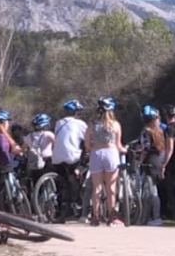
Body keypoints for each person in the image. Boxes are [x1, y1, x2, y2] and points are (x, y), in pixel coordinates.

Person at [86, 97, 126, 227]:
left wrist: (94, 147)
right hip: (111, 153)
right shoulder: (115, 125)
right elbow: (119, 145)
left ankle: (95, 216)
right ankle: (112, 215)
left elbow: (87, 145)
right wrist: (124, 150)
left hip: (96, 154)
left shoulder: (92, 125)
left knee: (96, 187)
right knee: (111, 187)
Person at [52, 99, 88, 222]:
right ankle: (77, 203)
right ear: (76, 112)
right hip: (72, 157)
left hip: (56, 158)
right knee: (79, 173)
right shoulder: (80, 124)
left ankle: (62, 210)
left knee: (63, 184)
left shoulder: (58, 123)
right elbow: (87, 140)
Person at [139, 105, 169, 226]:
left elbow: (145, 148)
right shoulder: (160, 130)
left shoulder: (146, 131)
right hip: (158, 160)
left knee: (152, 191)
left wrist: (139, 160)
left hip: (150, 162)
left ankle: (156, 217)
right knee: (150, 191)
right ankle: (147, 217)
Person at [25, 113, 56, 183]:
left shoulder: (28, 136)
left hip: (34, 162)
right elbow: (57, 144)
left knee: (35, 180)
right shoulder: (48, 134)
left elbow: (23, 149)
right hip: (47, 161)